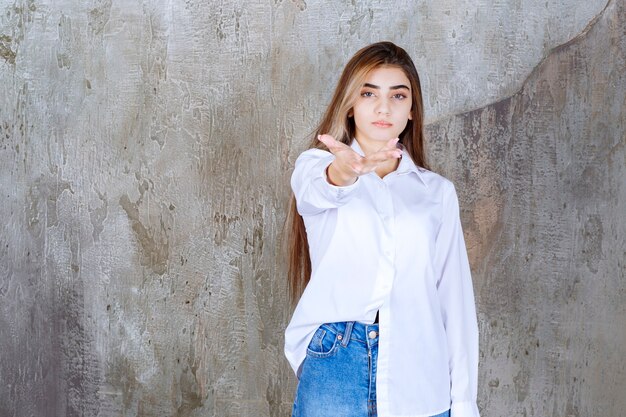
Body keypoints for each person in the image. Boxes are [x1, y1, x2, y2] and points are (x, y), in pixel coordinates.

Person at [284, 41, 480, 417]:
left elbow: (454, 303)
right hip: (337, 362)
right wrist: (346, 170)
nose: (383, 107)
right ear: (351, 106)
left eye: (398, 95)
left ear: (411, 111)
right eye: (369, 92)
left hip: (420, 370)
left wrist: (464, 402)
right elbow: (323, 187)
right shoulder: (315, 167)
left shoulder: (437, 193)